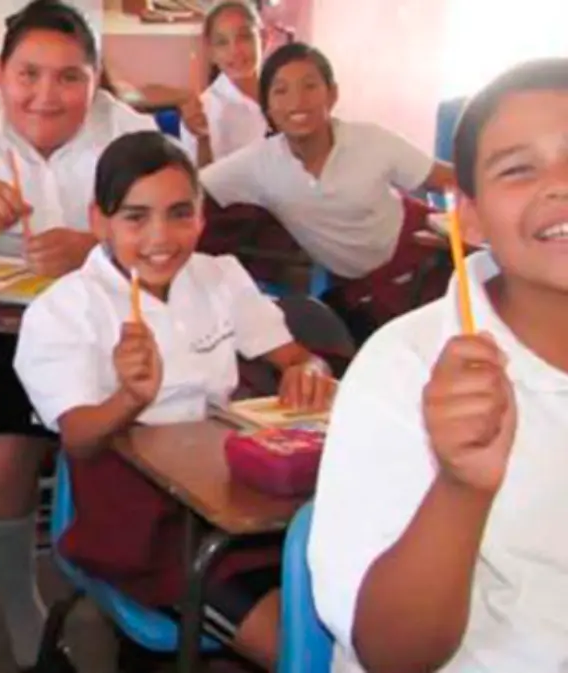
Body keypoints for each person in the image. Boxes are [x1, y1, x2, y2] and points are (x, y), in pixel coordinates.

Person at [15, 130, 335, 670]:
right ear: (99, 221)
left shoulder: (219, 276)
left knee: (343, 601)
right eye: (135, 218)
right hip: (144, 512)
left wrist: (310, 370)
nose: (160, 238)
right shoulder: (64, 310)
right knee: (304, 650)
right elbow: (79, 437)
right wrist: (129, 398)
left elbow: (296, 356)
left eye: (180, 214)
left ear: (201, 217)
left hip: (237, 486)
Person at [0, 1, 158, 668]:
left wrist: (96, 249)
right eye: (29, 74)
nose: (46, 96)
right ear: (1, 72)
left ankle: (140, 593)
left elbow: (173, 246)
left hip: (114, 318)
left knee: (154, 439)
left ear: (95, 78)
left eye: (69, 77)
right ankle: (22, 606)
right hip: (2, 326)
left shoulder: (131, 134)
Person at [309, 58, 568, 673]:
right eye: (519, 169)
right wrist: (461, 486)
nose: (559, 185)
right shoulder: (405, 369)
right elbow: (391, 653)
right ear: (469, 219)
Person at [200, 43, 458, 341]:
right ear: (267, 106)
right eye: (281, 91)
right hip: (363, 290)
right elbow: (192, 187)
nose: (297, 101)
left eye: (309, 86)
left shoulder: (371, 140)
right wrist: (200, 135)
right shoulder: (258, 164)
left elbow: (450, 180)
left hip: (423, 252)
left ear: (332, 94)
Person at [179, 0, 270, 168]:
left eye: (244, 37)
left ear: (263, 38)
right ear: (211, 52)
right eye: (222, 42)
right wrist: (203, 138)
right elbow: (198, 180)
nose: (235, 50)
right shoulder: (203, 110)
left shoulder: (282, 93)